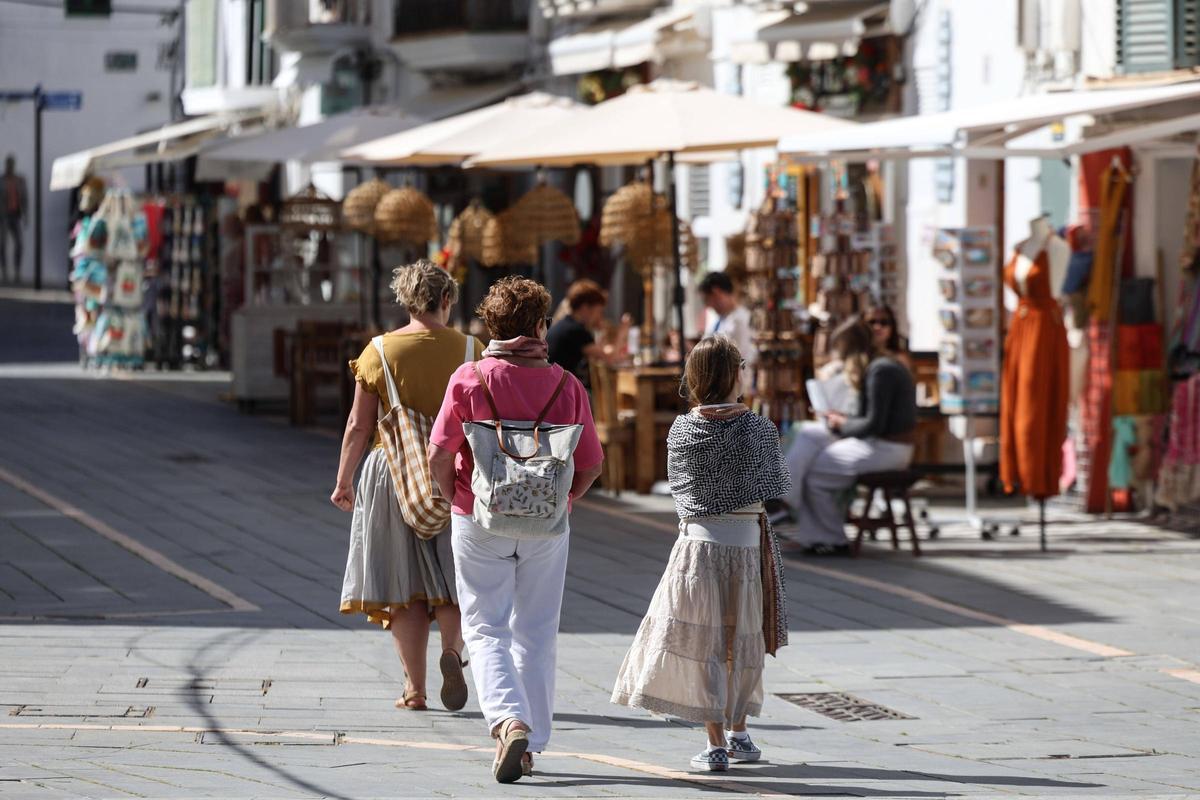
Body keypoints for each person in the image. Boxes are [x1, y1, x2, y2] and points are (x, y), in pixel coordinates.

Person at [428, 276, 604, 783]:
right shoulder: (568, 386)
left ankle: (509, 721)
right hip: (548, 523)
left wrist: (455, 498)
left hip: (478, 514)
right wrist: (563, 503)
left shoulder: (469, 378)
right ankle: (533, 742)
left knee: (485, 625)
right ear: (541, 326)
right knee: (537, 628)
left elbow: (439, 455)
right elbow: (591, 464)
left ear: (491, 326)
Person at [612, 336, 791, 772]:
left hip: (697, 548)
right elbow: (777, 489)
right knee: (743, 641)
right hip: (747, 546)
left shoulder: (681, 429)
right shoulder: (759, 429)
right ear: (733, 375)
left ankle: (713, 744)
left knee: (703, 643)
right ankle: (740, 733)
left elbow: (680, 490)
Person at [333, 260, 482, 713]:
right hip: (454, 471)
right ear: (447, 300)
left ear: (405, 301)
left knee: (404, 585)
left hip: (392, 472)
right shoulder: (471, 349)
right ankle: (453, 653)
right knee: (453, 580)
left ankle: (414, 690)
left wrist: (343, 480)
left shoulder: (379, 350)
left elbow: (360, 425)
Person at [782, 316, 917, 554]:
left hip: (888, 448)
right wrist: (841, 420)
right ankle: (805, 521)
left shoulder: (881, 371)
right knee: (809, 437)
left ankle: (829, 536)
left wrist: (842, 424)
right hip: (881, 443)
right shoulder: (879, 367)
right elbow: (871, 419)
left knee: (815, 473)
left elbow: (874, 423)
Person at [546, 279, 625, 385]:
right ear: (585, 307)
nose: (599, 317)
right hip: (559, 392)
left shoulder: (566, 324)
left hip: (550, 386)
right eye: (599, 311)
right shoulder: (576, 331)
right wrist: (623, 332)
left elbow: (598, 352)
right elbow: (609, 359)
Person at [699, 270, 757, 371]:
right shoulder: (716, 320)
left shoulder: (741, 320)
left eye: (707, 299)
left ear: (716, 292)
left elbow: (742, 360)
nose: (708, 305)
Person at [1, 155, 28, 284]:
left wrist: (26, 215)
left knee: (19, 244)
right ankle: (5, 271)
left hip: (16, 215)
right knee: (2, 244)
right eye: (8, 164)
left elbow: (25, 199)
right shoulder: (2, 180)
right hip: (4, 216)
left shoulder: (19, 180)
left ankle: (17, 271)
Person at [863, 302, 912, 372]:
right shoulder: (855, 357)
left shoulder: (900, 360)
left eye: (884, 322)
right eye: (872, 322)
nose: (877, 327)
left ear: (892, 328)